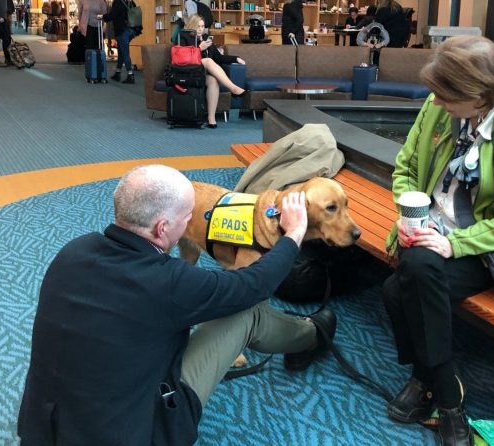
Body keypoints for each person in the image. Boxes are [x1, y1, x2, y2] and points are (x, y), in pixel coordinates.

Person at [17, 164, 337, 445]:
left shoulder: (73, 251)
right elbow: (253, 286)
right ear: (162, 228)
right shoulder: (170, 282)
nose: (190, 224)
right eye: (188, 217)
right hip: (138, 435)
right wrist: (294, 233)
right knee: (248, 311)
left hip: (41, 428)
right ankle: (312, 336)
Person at [382, 35, 494, 446]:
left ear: (478, 98)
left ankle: (430, 383)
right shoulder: (437, 106)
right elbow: (405, 168)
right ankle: (446, 392)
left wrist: (454, 245)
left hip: (485, 246)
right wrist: (409, 215)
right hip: (427, 229)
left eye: (445, 96)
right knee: (412, 273)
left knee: (399, 286)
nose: (435, 101)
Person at [172, 14, 247, 128]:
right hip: (187, 71)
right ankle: (232, 88)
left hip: (201, 73)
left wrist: (235, 58)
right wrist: (200, 49)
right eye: (198, 26)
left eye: (202, 26)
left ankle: (211, 117)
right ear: (192, 26)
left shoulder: (206, 38)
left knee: (213, 80)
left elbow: (218, 57)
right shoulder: (183, 37)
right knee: (207, 61)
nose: (200, 29)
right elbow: (182, 58)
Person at [101, 0, 142, 84]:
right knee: (121, 51)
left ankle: (130, 75)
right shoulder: (131, 2)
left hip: (122, 31)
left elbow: (112, 16)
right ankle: (117, 73)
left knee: (125, 53)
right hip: (132, 30)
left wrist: (103, 17)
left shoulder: (118, 2)